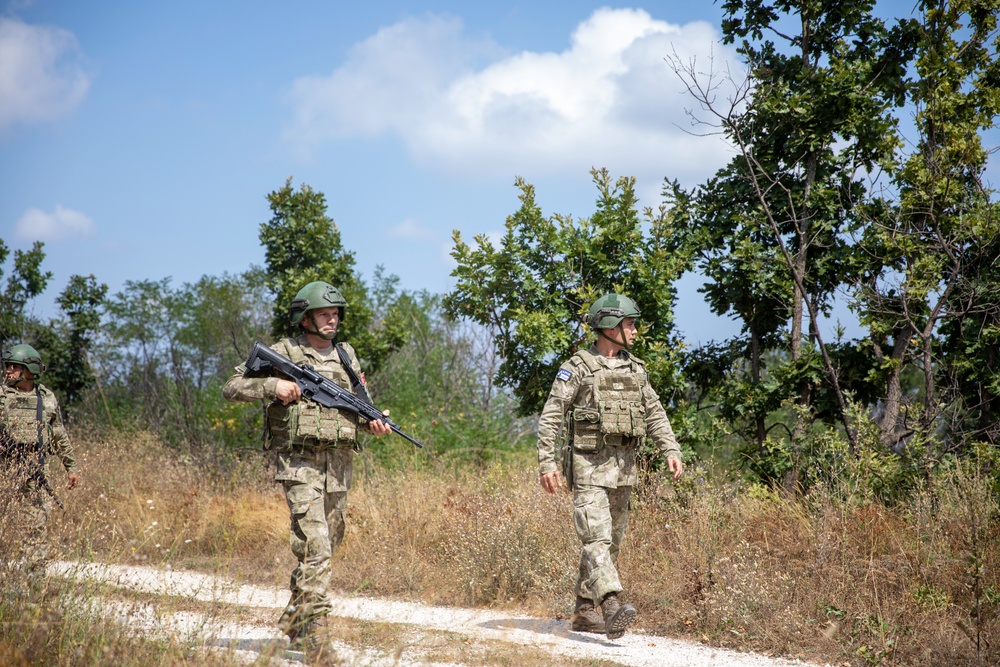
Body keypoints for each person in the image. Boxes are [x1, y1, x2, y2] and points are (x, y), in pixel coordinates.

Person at [223, 281, 391, 650]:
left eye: (335, 314)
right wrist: (273, 388)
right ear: (305, 318)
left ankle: (295, 621)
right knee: (316, 548)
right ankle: (317, 639)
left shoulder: (346, 355)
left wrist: (374, 423)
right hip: (299, 464)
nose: (332, 320)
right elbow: (231, 386)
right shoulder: (285, 352)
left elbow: (357, 406)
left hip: (338, 467)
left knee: (327, 545)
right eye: (324, 314)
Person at [536, 293, 684, 640]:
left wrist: (670, 448)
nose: (634, 331)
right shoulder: (578, 367)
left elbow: (654, 412)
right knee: (596, 539)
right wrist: (546, 462)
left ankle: (584, 610)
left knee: (611, 544)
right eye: (629, 324)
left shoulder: (636, 368)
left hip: (624, 470)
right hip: (587, 467)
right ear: (608, 326)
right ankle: (611, 603)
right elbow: (551, 415)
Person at [0, 344, 80, 573]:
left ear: (29, 370)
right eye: (8, 366)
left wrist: (71, 468)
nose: (8, 371)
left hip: (36, 471)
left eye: (14, 367)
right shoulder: (2, 397)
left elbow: (59, 434)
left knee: (35, 527)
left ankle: (35, 581)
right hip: (5, 469)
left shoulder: (46, 398)